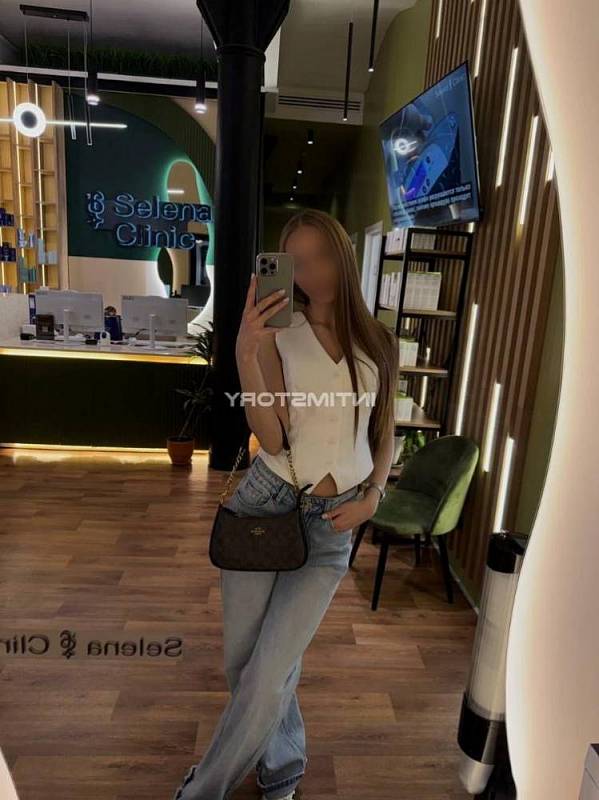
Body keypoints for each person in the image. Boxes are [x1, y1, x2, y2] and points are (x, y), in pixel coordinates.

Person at [174, 209, 399, 800]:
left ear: (344, 255)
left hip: (334, 524)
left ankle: (202, 791)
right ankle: (282, 768)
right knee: (246, 664)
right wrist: (247, 354)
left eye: (322, 256)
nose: (311, 273)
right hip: (266, 503)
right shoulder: (280, 333)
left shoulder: (378, 341)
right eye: (295, 262)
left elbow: (384, 431)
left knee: (270, 669)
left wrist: (373, 497)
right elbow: (272, 439)